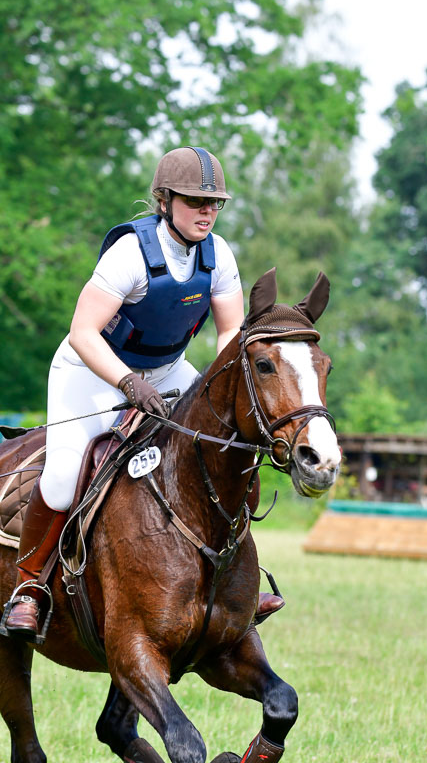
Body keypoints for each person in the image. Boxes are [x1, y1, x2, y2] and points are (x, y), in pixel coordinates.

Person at [5, 146, 248, 640]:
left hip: (168, 370)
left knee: (226, 447)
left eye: (214, 203)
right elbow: (83, 332)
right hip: (91, 371)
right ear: (164, 200)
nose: (207, 212)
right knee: (62, 477)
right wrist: (127, 383)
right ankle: (28, 590)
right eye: (195, 201)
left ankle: (234, 583)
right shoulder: (131, 254)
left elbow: (231, 336)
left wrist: (217, 389)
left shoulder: (218, 255)